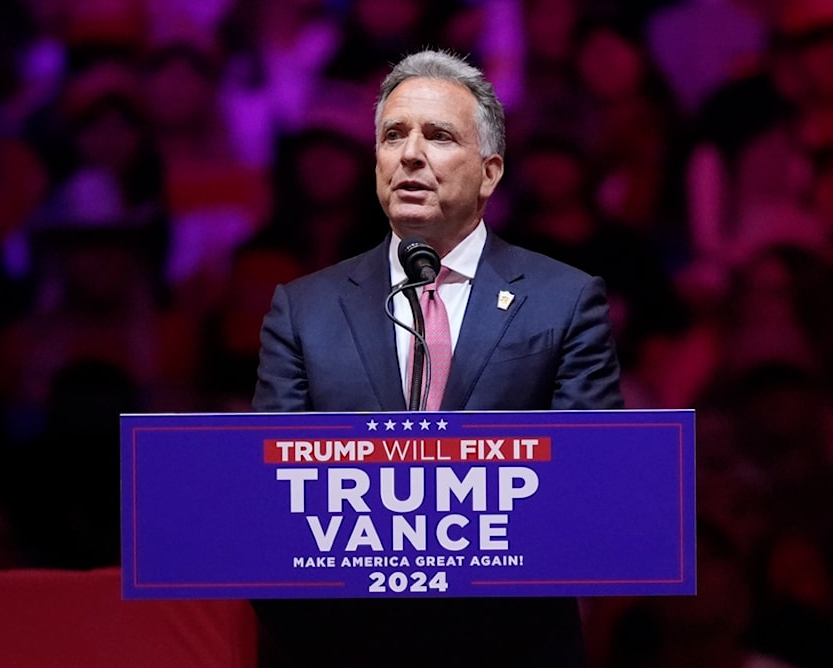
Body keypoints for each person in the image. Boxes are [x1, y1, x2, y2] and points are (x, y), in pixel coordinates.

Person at [252, 49, 623, 667]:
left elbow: (590, 484)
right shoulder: (303, 309)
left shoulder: (565, 301)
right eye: (393, 135)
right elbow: (271, 497)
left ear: (490, 171)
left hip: (510, 646)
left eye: (439, 136)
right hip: (343, 647)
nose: (410, 154)